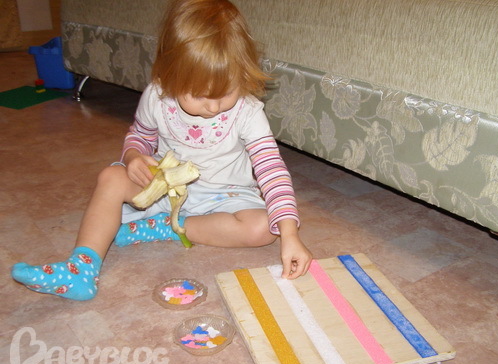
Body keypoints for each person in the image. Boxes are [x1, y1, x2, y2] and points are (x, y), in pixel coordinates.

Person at [11, 0, 313, 301]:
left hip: (226, 195)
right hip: (166, 189)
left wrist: (289, 234)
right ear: (171, 74)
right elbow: (140, 136)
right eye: (199, 95)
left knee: (264, 229)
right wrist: (133, 157)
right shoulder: (157, 96)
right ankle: (82, 267)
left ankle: (166, 228)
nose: (212, 107)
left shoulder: (247, 111)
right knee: (111, 177)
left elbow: (271, 170)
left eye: (225, 93)